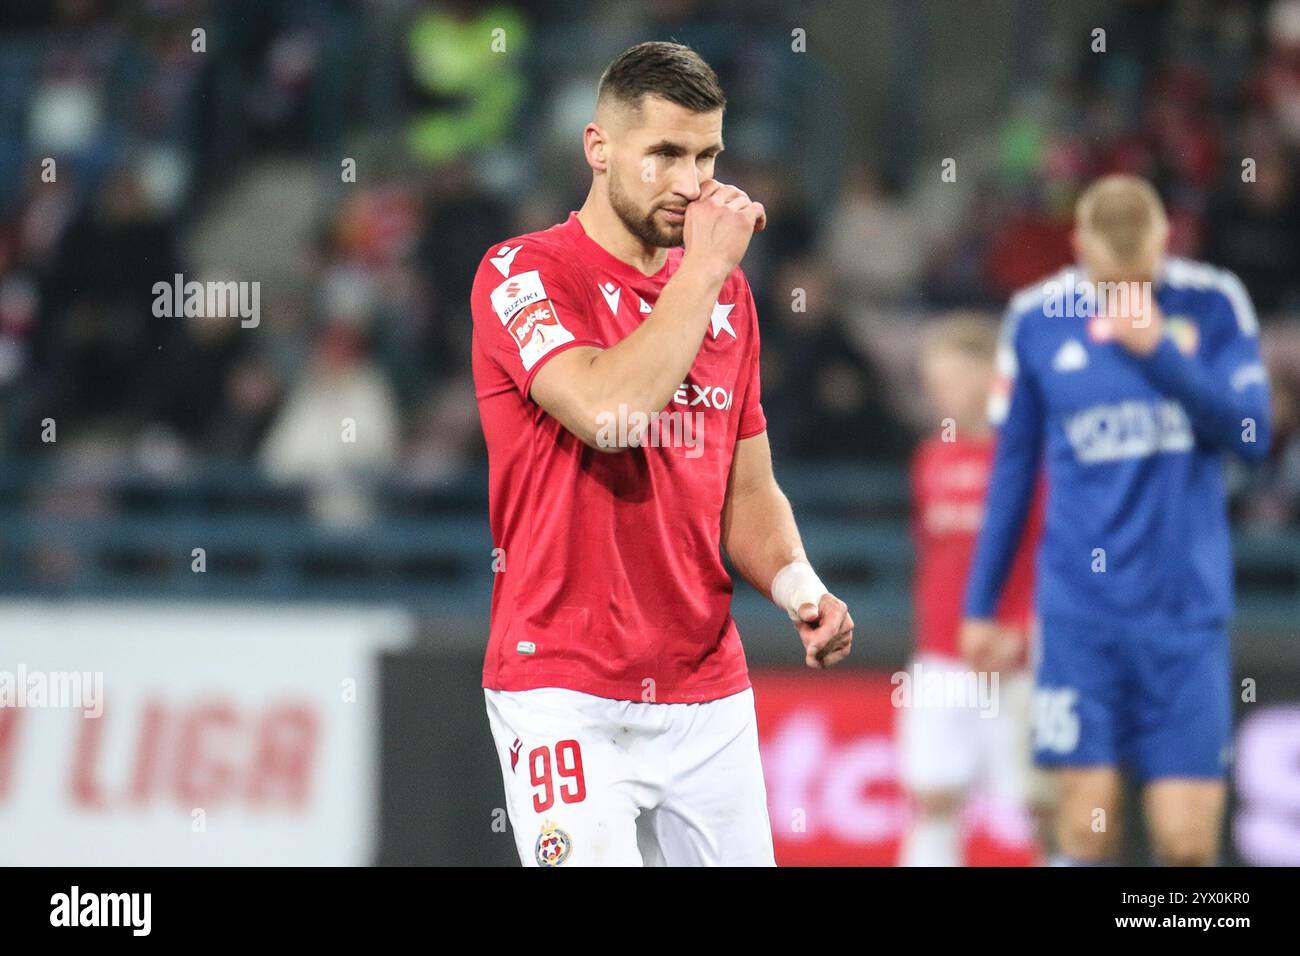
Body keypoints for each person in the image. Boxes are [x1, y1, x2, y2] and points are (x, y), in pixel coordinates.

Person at [469, 41, 853, 867]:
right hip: (561, 687)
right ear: (598, 148)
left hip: (703, 688)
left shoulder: (729, 298)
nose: (692, 182)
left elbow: (746, 491)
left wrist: (798, 583)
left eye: (708, 155)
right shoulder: (522, 273)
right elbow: (609, 412)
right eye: (666, 155)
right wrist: (705, 270)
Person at [962, 175, 1272, 866]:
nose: (1126, 293)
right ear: (1080, 250)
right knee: (1088, 830)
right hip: (1080, 619)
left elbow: (1253, 434)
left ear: (1166, 240)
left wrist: (1160, 351)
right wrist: (982, 604)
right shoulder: (1037, 319)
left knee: (1187, 843)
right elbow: (1012, 472)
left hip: (1184, 620)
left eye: (1140, 276)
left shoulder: (1213, 302)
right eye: (1110, 280)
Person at [899, 314, 1044, 866]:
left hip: (1021, 658)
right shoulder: (930, 458)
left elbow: (1056, 557)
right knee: (933, 797)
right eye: (933, 384)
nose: (940, 396)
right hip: (942, 655)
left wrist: (1023, 631)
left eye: (952, 380)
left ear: (990, 376)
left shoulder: (1030, 456)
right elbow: (931, 556)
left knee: (1041, 803)